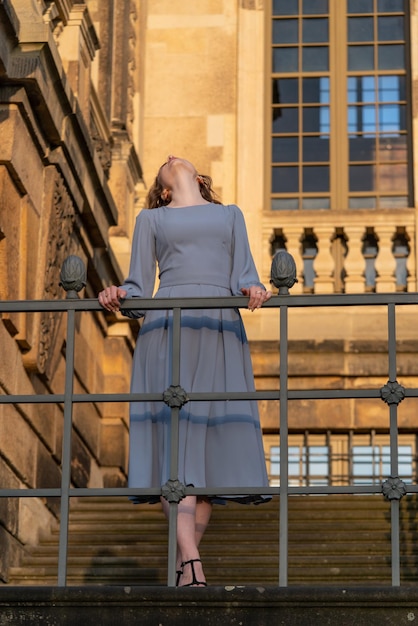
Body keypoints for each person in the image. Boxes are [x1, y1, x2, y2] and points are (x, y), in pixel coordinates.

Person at [98, 155, 271, 587]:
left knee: (207, 462)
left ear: (196, 178)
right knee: (175, 450)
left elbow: (245, 275)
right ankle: (191, 559)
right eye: (164, 164)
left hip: (218, 328)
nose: (171, 157)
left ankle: (181, 570)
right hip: (169, 328)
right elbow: (138, 285)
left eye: (178, 160)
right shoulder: (150, 220)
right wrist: (117, 291)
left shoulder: (230, 216)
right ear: (164, 190)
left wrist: (254, 288)